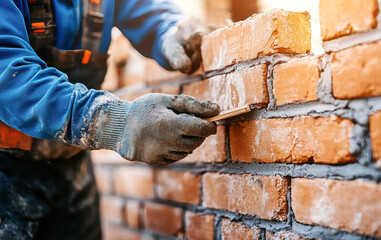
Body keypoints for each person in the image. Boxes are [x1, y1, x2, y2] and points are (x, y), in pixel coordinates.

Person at [0, 0, 219, 238]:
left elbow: (143, 9)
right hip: (7, 172)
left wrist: (171, 31)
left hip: (72, 164)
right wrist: (115, 121)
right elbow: (9, 75)